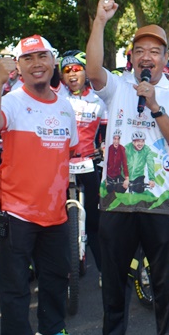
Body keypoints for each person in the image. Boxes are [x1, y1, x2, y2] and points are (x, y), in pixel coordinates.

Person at [86, 0, 169, 335]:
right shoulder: (116, 86)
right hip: (116, 202)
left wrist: (156, 106)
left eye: (155, 51)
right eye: (141, 50)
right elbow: (92, 69)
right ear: (131, 57)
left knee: (165, 281)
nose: (147, 57)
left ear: (165, 59)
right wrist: (100, 21)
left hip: (160, 203)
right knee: (113, 280)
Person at [0, 35, 81, 335]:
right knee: (15, 284)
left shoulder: (66, 104)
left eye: (42, 56)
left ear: (53, 61)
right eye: (28, 58)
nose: (37, 63)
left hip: (54, 211)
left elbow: (69, 149)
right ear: (19, 67)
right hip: (14, 211)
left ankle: (51, 328)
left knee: (55, 276)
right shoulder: (10, 101)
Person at [58, 50, 108, 274]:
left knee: (95, 222)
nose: (71, 74)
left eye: (76, 69)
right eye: (67, 70)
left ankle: (103, 269)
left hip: (88, 162)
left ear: (86, 72)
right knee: (54, 218)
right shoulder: (57, 97)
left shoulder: (98, 99)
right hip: (60, 165)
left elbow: (107, 131)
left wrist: (104, 147)